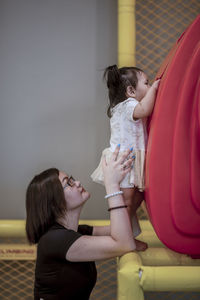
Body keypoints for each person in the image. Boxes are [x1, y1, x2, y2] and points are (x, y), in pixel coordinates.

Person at [26, 146, 135, 300]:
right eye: (68, 183)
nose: (77, 182)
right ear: (54, 203)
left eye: (71, 179)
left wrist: (129, 188)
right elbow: (125, 244)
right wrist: (111, 185)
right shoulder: (55, 240)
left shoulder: (77, 232)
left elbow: (129, 233)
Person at [91, 65, 160, 251]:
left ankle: (122, 234)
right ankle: (124, 239)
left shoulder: (119, 107)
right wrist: (155, 89)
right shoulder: (128, 106)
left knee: (134, 201)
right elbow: (145, 109)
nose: (150, 84)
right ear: (130, 91)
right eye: (146, 83)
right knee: (128, 204)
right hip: (125, 162)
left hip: (129, 160)